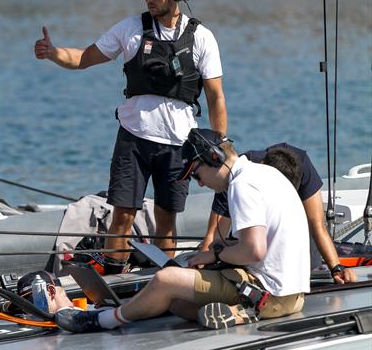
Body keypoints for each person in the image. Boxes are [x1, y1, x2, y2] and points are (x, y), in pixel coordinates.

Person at [34, 0, 227, 274]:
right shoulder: (130, 29)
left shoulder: (202, 37)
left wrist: (220, 144)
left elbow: (216, 96)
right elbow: (85, 57)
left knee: (166, 219)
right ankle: (113, 275)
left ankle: (167, 277)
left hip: (178, 144)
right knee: (122, 214)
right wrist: (54, 53)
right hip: (133, 140)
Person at [50, 129, 310, 331]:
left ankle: (103, 320)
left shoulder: (243, 185)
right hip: (294, 297)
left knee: (167, 279)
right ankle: (235, 313)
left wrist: (213, 256)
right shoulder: (263, 173)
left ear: (214, 158)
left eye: (196, 175)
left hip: (269, 295)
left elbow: (254, 251)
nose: (200, 183)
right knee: (177, 303)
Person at [201, 143, 356, 284]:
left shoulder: (302, 165)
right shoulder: (236, 176)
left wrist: (336, 269)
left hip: (288, 235)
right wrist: (201, 269)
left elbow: (317, 225)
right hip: (253, 241)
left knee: (310, 262)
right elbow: (213, 235)